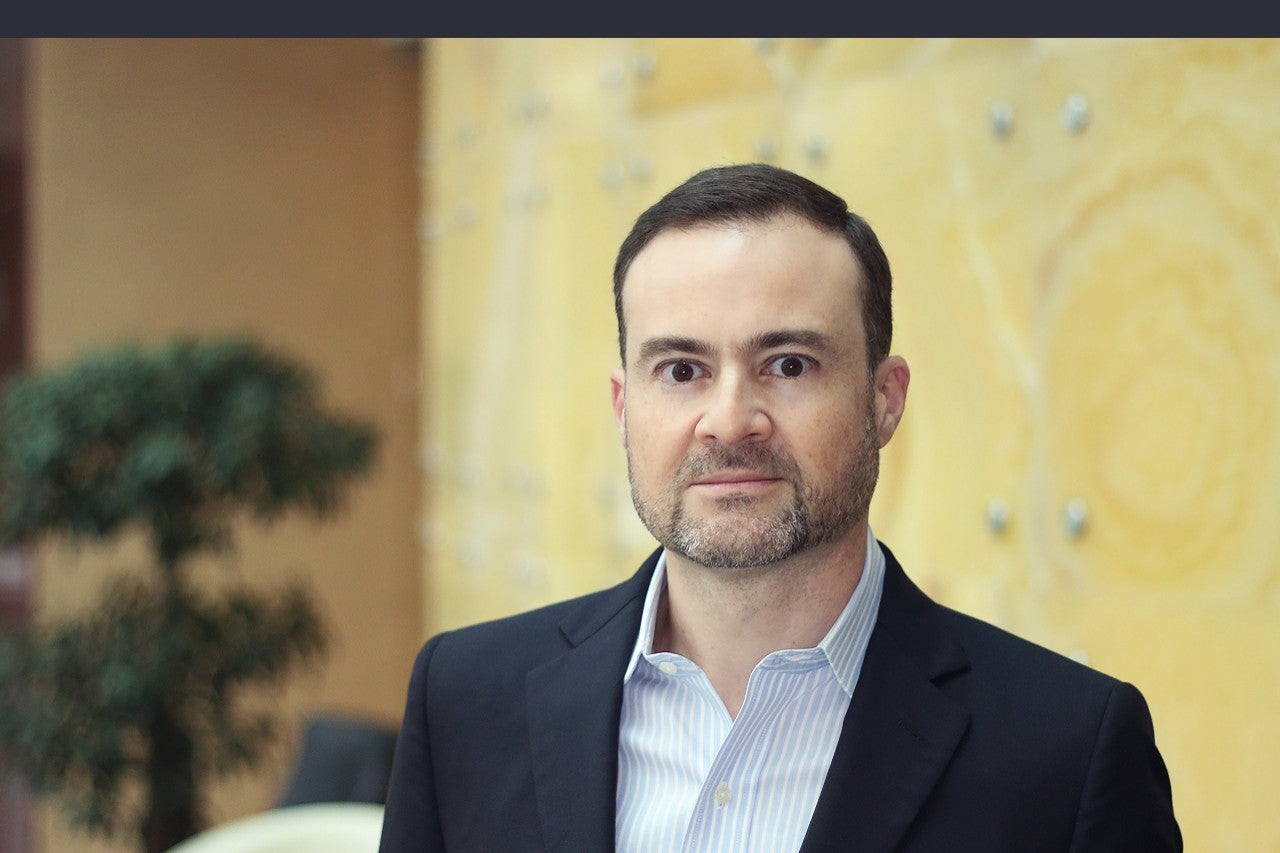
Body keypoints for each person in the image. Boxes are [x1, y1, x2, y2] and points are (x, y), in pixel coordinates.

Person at [379, 163, 1181, 852]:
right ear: (624, 407)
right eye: (682, 370)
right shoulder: (464, 702)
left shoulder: (1067, 753)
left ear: (884, 398)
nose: (730, 420)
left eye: (789, 364)